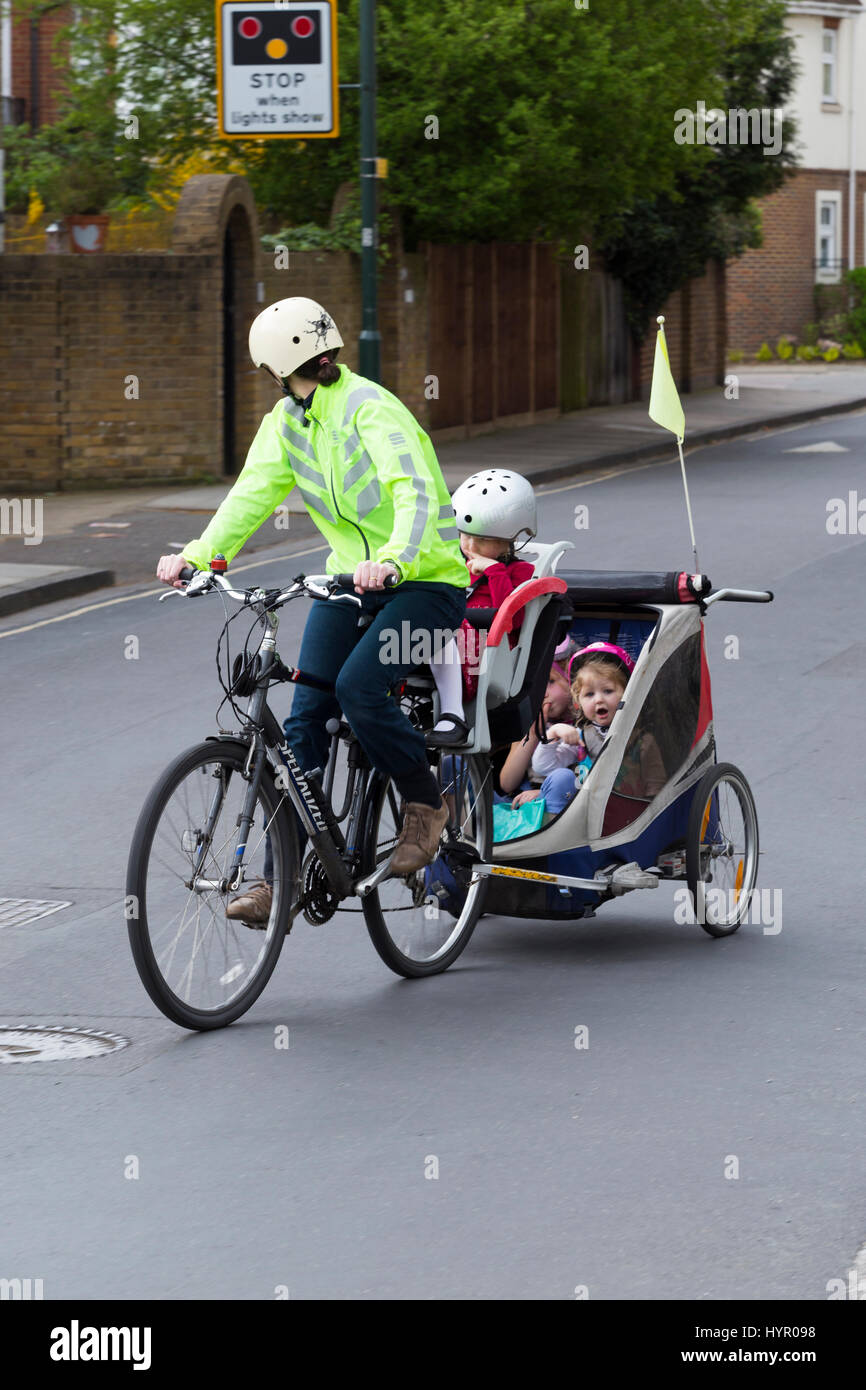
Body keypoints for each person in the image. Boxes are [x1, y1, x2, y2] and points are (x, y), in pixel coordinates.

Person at [156, 296, 469, 921]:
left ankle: (427, 804)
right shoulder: (285, 423)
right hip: (347, 582)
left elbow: (412, 489)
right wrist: (199, 554)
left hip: (426, 584)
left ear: (274, 364)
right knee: (301, 723)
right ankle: (285, 877)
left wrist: (398, 561)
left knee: (359, 689)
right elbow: (251, 495)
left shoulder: (371, 408)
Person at [426, 470, 536, 746]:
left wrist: (496, 572)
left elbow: (513, 618)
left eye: (484, 540)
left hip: (487, 657)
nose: (471, 546)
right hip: (439, 648)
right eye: (465, 535)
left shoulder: (520, 571)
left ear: (508, 540)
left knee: (440, 620)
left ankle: (453, 715)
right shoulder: (453, 564)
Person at [509, 642, 636, 817]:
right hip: (579, 808)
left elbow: (654, 782)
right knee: (562, 777)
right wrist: (551, 734)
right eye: (590, 694)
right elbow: (543, 767)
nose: (599, 699)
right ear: (579, 702)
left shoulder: (639, 735)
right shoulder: (579, 736)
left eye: (608, 691)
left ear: (628, 693)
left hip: (622, 808)